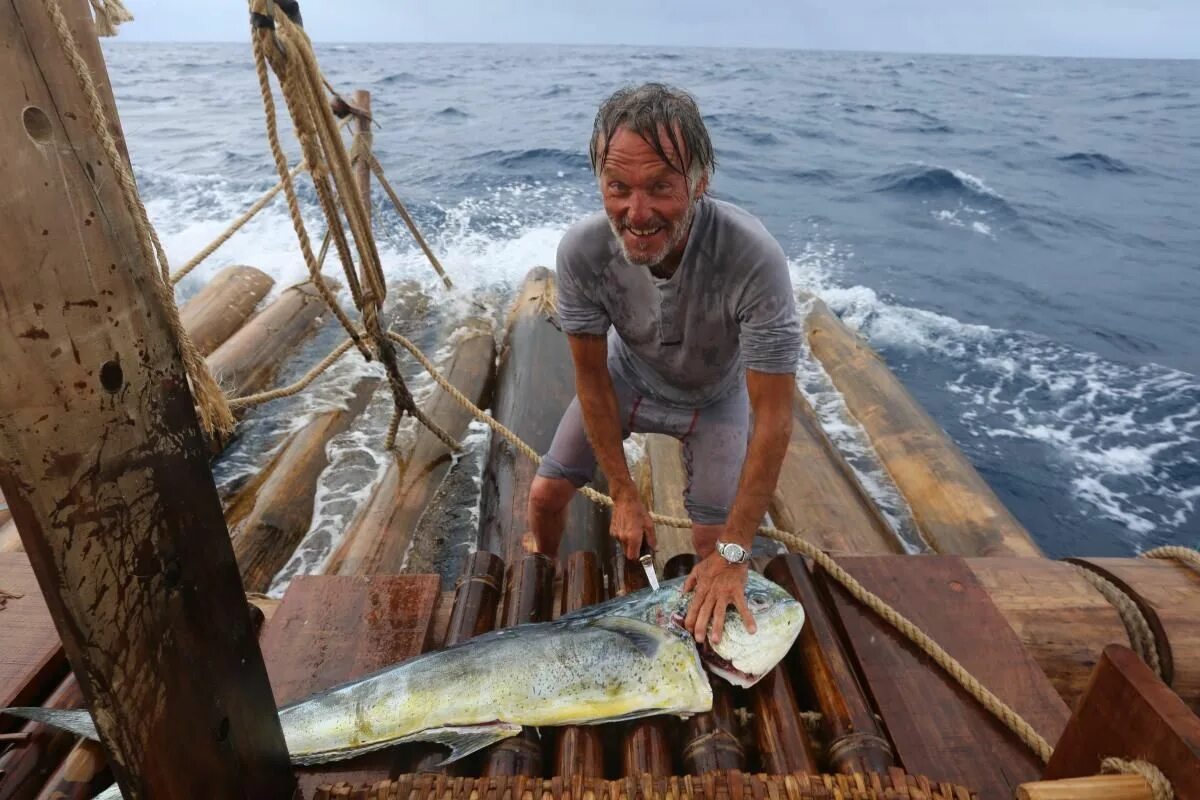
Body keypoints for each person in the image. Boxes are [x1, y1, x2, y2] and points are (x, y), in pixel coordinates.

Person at [526, 83, 800, 645]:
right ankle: (541, 581)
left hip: (715, 401)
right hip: (629, 381)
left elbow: (773, 418)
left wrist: (732, 552)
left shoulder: (751, 256)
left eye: (661, 188)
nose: (638, 212)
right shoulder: (581, 251)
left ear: (699, 183)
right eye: (618, 188)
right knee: (543, 497)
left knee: (710, 540)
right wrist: (624, 493)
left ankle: (710, 631)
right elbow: (593, 380)